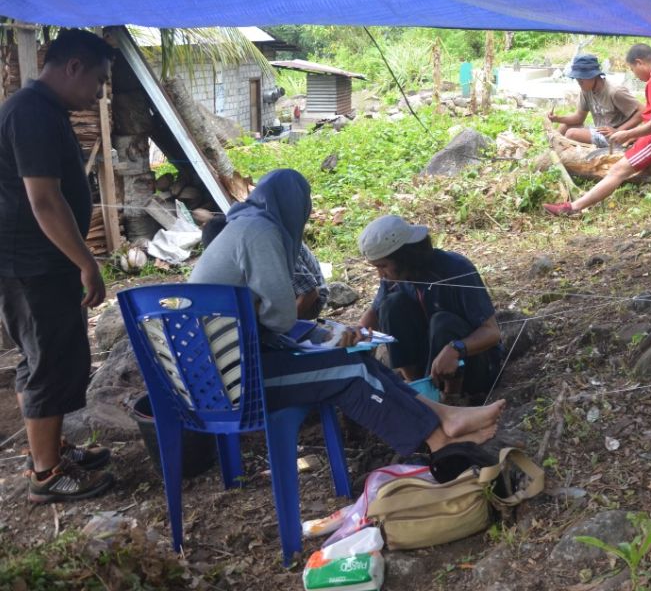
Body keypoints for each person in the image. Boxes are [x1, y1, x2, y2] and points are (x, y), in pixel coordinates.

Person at [190, 170, 505, 455]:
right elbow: (282, 317)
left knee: (361, 356)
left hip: (223, 367)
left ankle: (448, 414)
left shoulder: (245, 226)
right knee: (351, 370)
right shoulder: (261, 233)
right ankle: (439, 440)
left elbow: (270, 315)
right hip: (229, 382)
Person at [0, 29, 116, 503]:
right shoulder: (30, 113)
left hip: (31, 261)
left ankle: (47, 451)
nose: (100, 93)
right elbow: (44, 201)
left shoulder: (42, 109)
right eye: (99, 80)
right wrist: (87, 262)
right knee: (49, 361)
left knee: (41, 358)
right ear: (73, 67)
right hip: (34, 263)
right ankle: (47, 475)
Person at [357, 215, 502, 401]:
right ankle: (420, 389)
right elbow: (374, 314)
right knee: (391, 305)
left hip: (471, 366)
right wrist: (354, 335)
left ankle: (452, 398)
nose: (380, 274)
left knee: (442, 322)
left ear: (403, 257)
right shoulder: (394, 278)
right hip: (430, 364)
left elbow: (492, 332)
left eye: (383, 266)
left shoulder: (455, 268)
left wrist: (457, 349)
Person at [543, 43, 651, 215]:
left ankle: (572, 208)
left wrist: (626, 133)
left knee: (617, 170)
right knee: (576, 135)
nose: (635, 75)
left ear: (639, 62)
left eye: (632, 69)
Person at [201, 212, 328, 320]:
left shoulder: (266, 246)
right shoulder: (241, 246)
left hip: (311, 299)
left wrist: (285, 326)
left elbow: (311, 293)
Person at [547, 53, 644, 149]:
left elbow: (642, 111)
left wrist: (618, 130)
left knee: (571, 134)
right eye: (577, 79)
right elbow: (579, 118)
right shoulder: (586, 91)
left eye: (582, 79)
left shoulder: (615, 91)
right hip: (599, 131)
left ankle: (568, 154)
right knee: (564, 127)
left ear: (594, 76)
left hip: (616, 137)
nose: (579, 82)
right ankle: (554, 152)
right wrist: (557, 119)